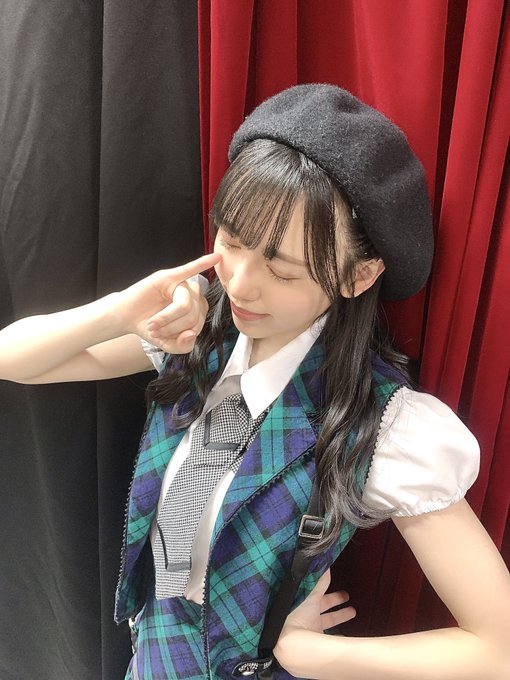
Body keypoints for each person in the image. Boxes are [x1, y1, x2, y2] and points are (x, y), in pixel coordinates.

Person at [1, 84, 509, 680]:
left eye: (282, 270)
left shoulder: (383, 426)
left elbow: (497, 648)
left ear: (359, 275)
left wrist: (318, 656)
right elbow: (13, 358)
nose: (241, 284)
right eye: (231, 241)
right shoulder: (195, 334)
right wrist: (120, 311)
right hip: (150, 659)